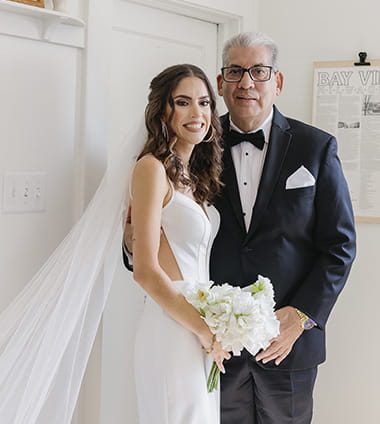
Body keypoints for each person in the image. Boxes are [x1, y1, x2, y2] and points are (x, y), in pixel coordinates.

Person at [210, 32, 356, 424]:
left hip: (289, 343)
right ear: (221, 82)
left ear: (277, 82)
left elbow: (340, 246)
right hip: (215, 345)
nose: (246, 83)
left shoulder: (316, 147)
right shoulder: (198, 147)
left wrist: (302, 315)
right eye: (236, 71)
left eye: (258, 71)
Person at [127, 64, 231, 424]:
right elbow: (145, 271)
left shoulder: (190, 177)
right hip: (172, 327)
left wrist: (210, 327)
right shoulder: (150, 169)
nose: (197, 113)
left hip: (196, 325)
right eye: (183, 102)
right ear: (163, 111)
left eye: (204, 103)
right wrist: (204, 330)